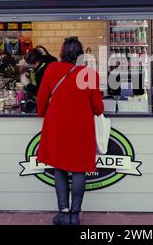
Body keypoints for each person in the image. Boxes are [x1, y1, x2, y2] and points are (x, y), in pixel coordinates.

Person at [36, 37, 104, 225]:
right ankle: (75, 215)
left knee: (59, 168)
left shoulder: (51, 69)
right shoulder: (89, 74)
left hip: (57, 125)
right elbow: (98, 107)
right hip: (81, 127)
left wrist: (42, 113)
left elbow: (42, 97)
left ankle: (63, 214)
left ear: (62, 52)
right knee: (79, 169)